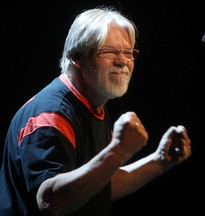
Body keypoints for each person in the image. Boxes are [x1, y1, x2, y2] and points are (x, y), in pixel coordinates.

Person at [0, 6, 192, 216]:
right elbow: (50, 202)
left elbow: (97, 185)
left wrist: (160, 161)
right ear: (77, 56)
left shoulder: (92, 103)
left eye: (128, 53)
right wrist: (117, 151)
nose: (122, 61)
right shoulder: (50, 115)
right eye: (109, 51)